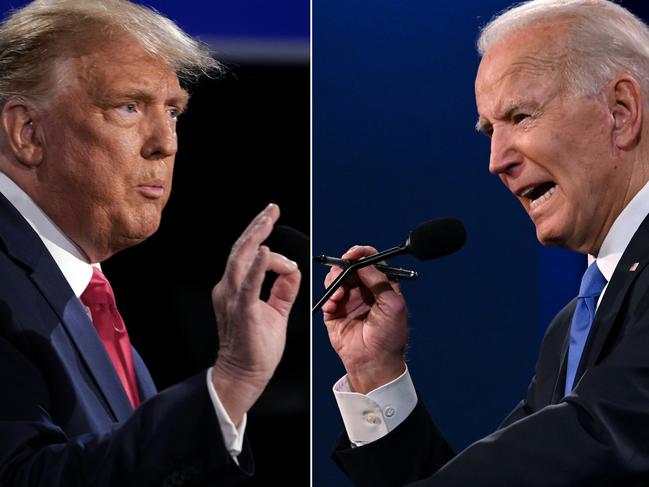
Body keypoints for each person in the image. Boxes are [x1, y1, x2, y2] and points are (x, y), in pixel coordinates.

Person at [322, 0, 649, 485]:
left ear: (620, 112)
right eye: (488, 130)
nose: (496, 160)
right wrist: (376, 373)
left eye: (521, 117)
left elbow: (600, 439)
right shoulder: (572, 326)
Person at [0, 0, 302, 485]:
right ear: (27, 132)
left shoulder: (75, 288)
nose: (166, 142)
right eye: (128, 107)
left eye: (174, 111)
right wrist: (228, 383)